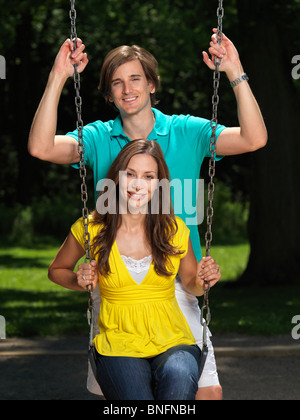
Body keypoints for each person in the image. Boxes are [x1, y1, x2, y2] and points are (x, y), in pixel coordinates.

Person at [28, 29, 267, 400]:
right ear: (109, 94)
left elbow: (254, 139)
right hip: (116, 282)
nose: (127, 89)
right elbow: (41, 147)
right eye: (117, 83)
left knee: (207, 392)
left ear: (152, 84)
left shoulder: (187, 130)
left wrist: (234, 72)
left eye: (136, 78)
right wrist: (58, 76)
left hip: (180, 277)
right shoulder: (97, 137)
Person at [48, 140, 222, 400]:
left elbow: (190, 284)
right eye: (130, 174)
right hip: (118, 342)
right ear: (116, 177)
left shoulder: (173, 229)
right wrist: (78, 280)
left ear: (159, 184)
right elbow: (56, 270)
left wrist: (204, 280)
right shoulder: (91, 228)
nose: (138, 184)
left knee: (179, 382)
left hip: (173, 339)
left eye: (148, 176)